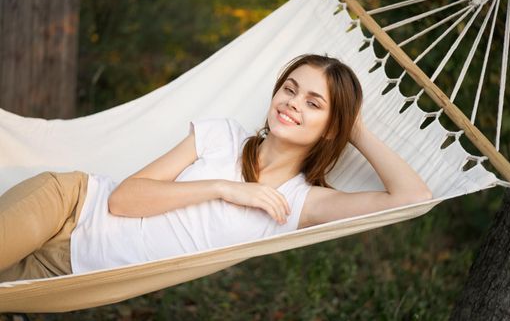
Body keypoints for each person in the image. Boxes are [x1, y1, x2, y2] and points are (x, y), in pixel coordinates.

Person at [0, 54, 432, 282]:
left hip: (70, 273)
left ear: (330, 127)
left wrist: (354, 130)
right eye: (290, 89)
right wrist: (225, 189)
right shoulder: (220, 135)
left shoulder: (302, 203)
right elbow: (123, 199)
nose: (292, 103)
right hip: (71, 205)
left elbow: (412, 198)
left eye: (313, 103)